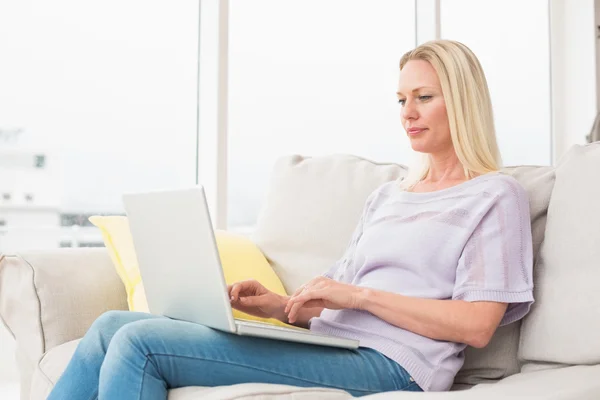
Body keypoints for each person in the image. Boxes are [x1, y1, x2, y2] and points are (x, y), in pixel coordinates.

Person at [47, 39, 534, 399]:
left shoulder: (494, 195)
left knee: (140, 342)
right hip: (335, 345)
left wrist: (361, 295)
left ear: (463, 101)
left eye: (424, 97)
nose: (408, 113)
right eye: (402, 99)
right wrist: (279, 307)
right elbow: (332, 299)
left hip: (394, 365)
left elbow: (476, 325)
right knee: (112, 324)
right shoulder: (388, 196)